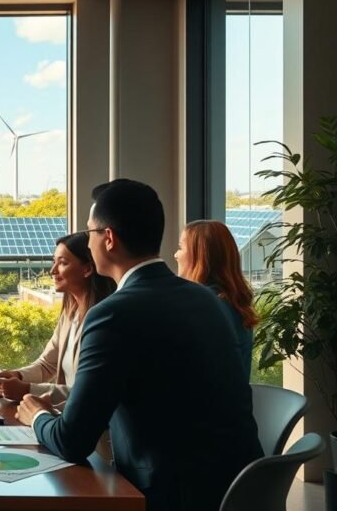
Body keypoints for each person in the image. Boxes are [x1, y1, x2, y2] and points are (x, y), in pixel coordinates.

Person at [16, 179, 262, 511]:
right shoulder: (208, 299)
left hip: (164, 495)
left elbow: (71, 441)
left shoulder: (111, 315)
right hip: (239, 488)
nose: (87, 244)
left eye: (89, 234)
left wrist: (36, 415)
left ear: (109, 238)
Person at [0, 232, 115, 405]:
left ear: (87, 269)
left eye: (62, 263)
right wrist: (18, 375)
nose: (52, 270)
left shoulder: (105, 322)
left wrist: (27, 390)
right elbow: (48, 364)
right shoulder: (70, 314)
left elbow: (90, 394)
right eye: (54, 261)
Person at [175, 219, 257, 379]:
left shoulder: (205, 307)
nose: (176, 255)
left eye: (181, 247)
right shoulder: (230, 302)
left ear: (200, 255)